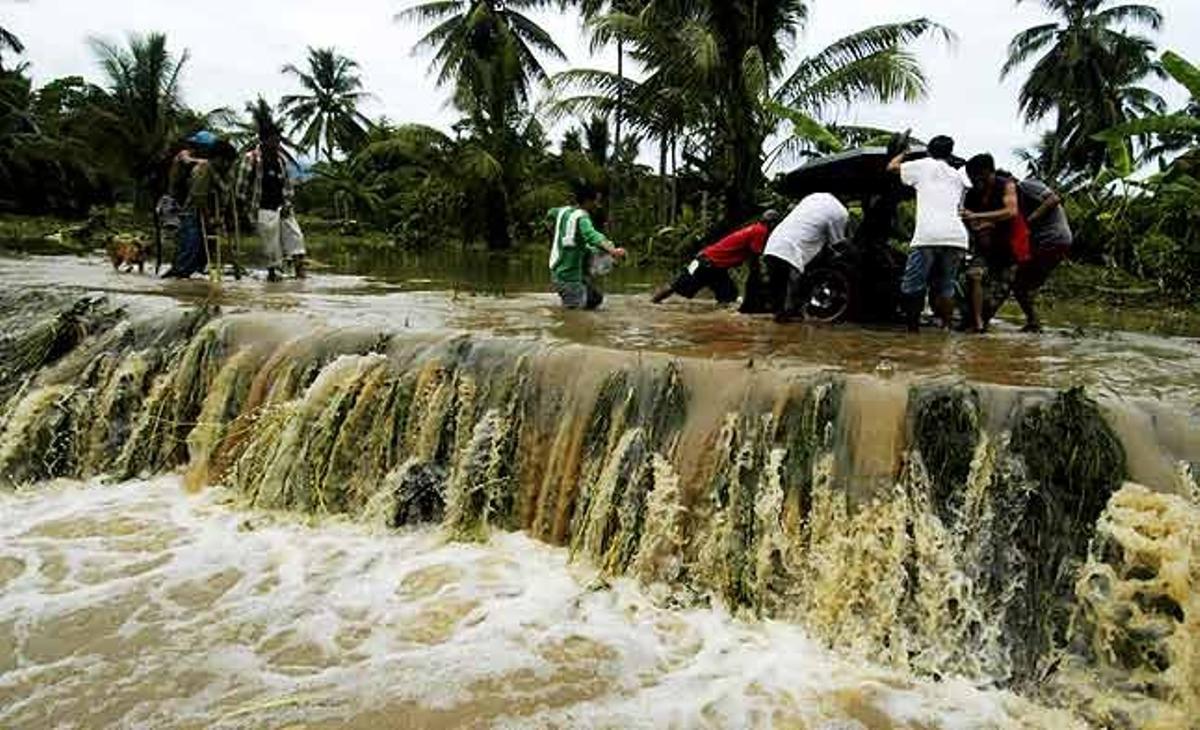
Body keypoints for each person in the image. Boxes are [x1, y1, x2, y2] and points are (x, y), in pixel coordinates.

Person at [962, 153, 1072, 333]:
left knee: (1015, 279)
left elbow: (1053, 199)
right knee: (1019, 284)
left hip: (1051, 239)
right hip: (1048, 240)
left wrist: (1029, 221)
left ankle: (998, 318)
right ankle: (1032, 321)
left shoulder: (1027, 185)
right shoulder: (1009, 195)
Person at [888, 135, 972, 331]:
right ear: (949, 153)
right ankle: (946, 328)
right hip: (956, 236)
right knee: (947, 286)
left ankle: (913, 330)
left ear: (929, 151)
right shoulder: (957, 175)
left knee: (913, 286)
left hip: (928, 235)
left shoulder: (923, 165)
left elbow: (891, 167)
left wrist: (903, 154)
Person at [651, 210, 781, 305]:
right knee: (677, 286)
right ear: (772, 223)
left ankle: (718, 324)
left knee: (728, 297)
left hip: (716, 266)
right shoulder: (760, 231)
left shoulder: (755, 229)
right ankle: (652, 304)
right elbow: (755, 257)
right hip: (708, 263)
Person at [762, 193, 850, 322]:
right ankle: (790, 316)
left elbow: (810, 228)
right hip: (791, 251)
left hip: (773, 245)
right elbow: (838, 243)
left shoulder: (814, 198)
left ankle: (781, 324)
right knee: (791, 291)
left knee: (779, 295)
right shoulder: (840, 212)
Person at [236, 123, 306, 281]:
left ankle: (301, 276)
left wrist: (288, 203)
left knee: (296, 239)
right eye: (274, 140)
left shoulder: (281, 160)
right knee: (271, 247)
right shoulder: (251, 158)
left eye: (278, 140)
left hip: (282, 207)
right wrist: (244, 212)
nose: (277, 144)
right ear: (263, 140)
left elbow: (287, 186)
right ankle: (273, 276)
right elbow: (241, 187)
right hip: (262, 207)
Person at [961, 153, 1022, 333]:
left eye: (975, 176)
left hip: (1007, 251)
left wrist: (980, 217)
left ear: (987, 172)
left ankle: (982, 322)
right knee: (974, 276)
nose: (973, 180)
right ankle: (977, 323)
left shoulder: (1006, 185)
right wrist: (977, 225)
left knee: (993, 301)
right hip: (983, 248)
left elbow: (1011, 212)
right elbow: (966, 217)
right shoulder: (972, 194)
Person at [547, 183, 626, 310]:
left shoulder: (562, 211)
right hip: (569, 279)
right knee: (576, 316)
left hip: (558, 273)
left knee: (595, 298)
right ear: (588, 201)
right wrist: (613, 251)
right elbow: (592, 236)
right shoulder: (582, 217)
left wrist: (552, 228)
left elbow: (550, 213)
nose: (598, 205)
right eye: (596, 201)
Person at [162, 131, 222, 279]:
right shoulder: (185, 155)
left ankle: (193, 269)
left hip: (191, 203)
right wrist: (203, 162)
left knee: (200, 240)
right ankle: (180, 270)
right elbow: (187, 160)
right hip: (176, 203)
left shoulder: (205, 164)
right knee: (189, 239)